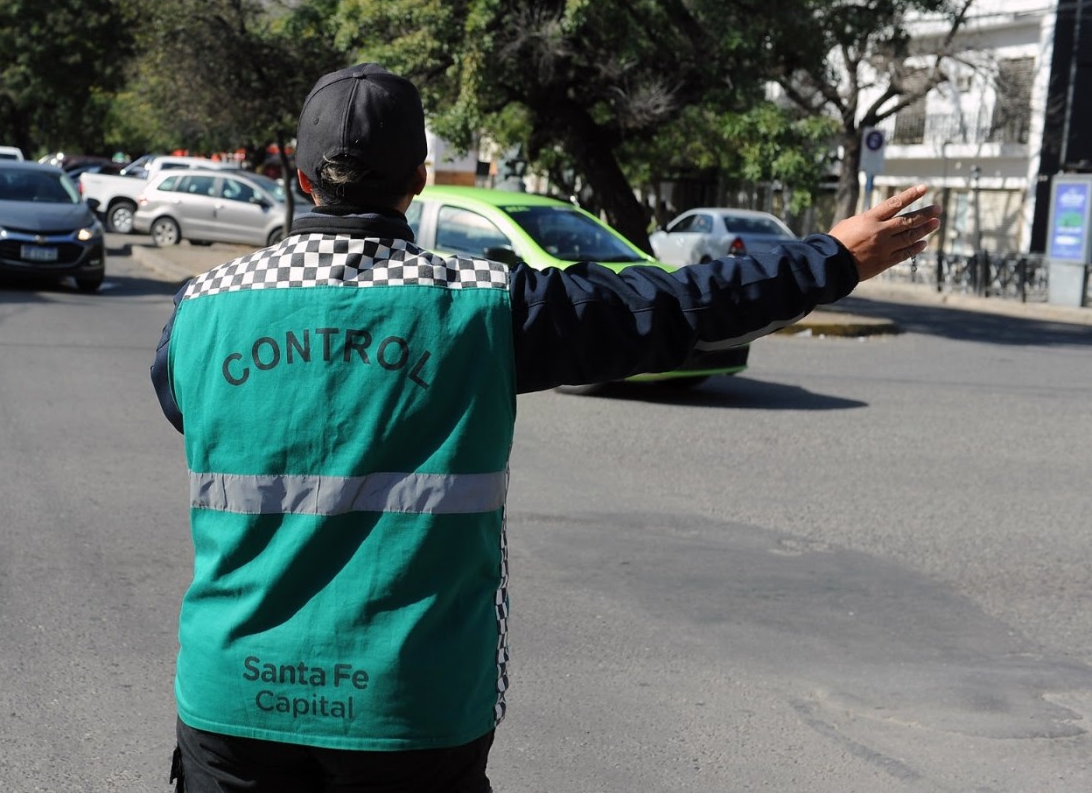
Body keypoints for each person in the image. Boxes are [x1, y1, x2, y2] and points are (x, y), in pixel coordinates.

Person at [150, 63, 940, 792]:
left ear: (300, 177)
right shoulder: (486, 307)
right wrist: (830, 258)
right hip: (409, 709)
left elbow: (185, 406)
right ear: (420, 180)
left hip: (232, 699)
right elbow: (671, 306)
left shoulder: (201, 310)